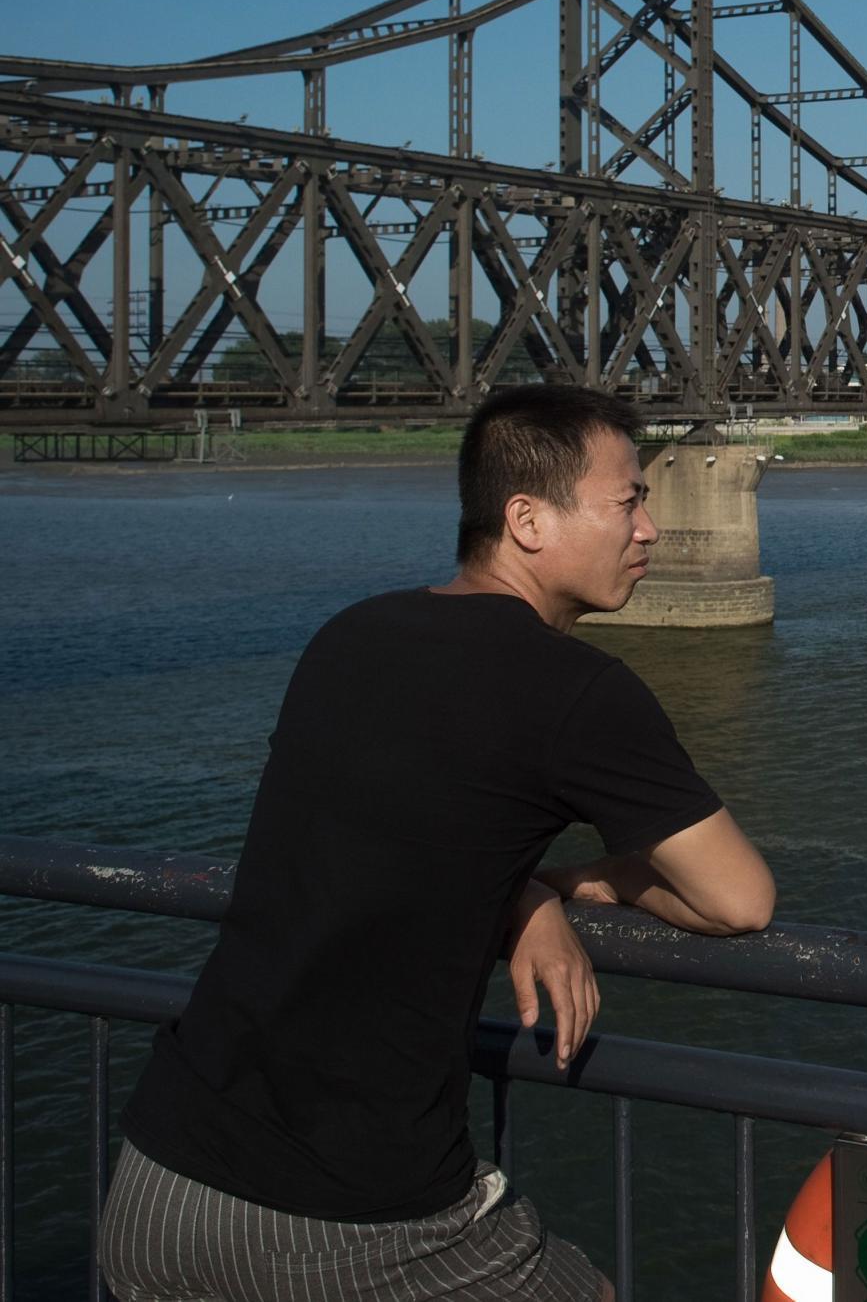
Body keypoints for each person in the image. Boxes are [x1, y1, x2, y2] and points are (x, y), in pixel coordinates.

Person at [99, 385, 775, 1301]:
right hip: (350, 1214)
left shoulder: (348, 637)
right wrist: (582, 884)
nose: (652, 528)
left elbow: (405, 827)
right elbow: (739, 900)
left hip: (161, 1181)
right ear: (527, 519)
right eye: (629, 500)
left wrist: (522, 893)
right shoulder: (579, 690)